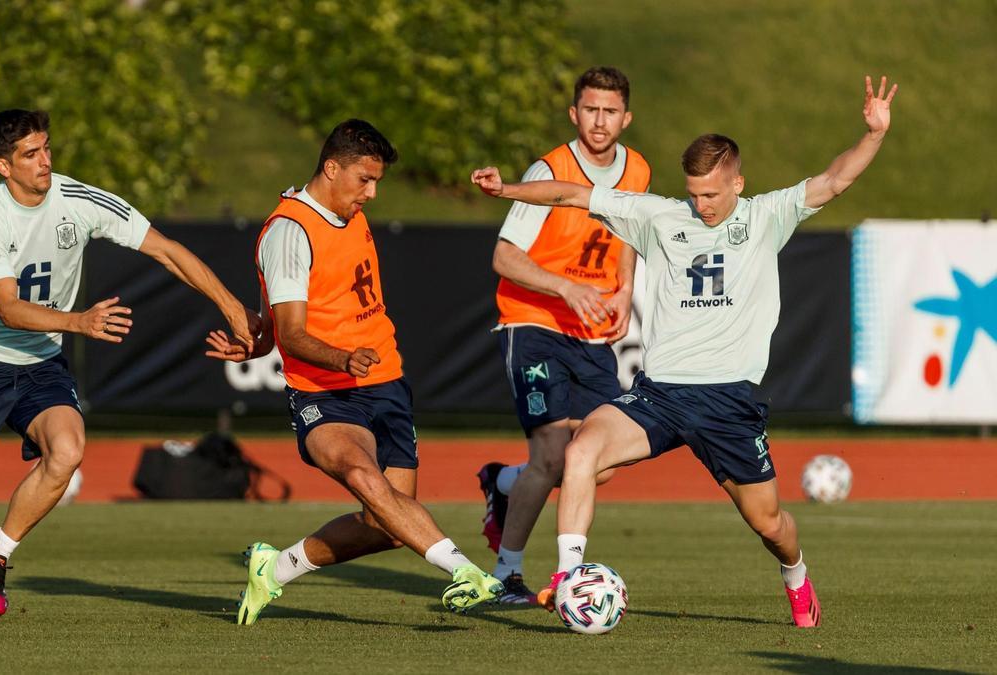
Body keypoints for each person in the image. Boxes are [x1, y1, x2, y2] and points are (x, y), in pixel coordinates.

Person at [471, 76, 898, 627]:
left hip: (728, 403)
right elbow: (571, 194)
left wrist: (873, 135)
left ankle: (797, 579)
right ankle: (567, 579)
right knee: (579, 453)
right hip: (660, 396)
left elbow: (835, 180)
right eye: (694, 193)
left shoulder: (767, 215)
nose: (702, 205)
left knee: (768, 524)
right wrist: (506, 191)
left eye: (713, 194)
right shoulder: (660, 216)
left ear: (738, 183)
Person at [0, 109, 257, 621]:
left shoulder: (78, 200)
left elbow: (167, 251)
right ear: (3, 166)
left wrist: (231, 306)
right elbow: (6, 308)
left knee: (67, 451)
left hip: (41, 364)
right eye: (30, 154)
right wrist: (79, 323)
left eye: (46, 148)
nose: (45, 161)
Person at [205, 119, 502, 625]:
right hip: (325, 390)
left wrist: (256, 343)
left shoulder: (348, 212)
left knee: (387, 523)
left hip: (385, 381)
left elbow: (273, 325)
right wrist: (336, 357)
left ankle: (274, 568)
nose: (371, 192)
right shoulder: (290, 232)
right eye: (364, 179)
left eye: (377, 181)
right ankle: (468, 573)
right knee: (364, 478)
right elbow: (291, 334)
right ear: (331, 167)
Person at [476, 66, 651, 604]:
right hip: (534, 322)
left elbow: (627, 232)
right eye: (590, 110)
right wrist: (564, 288)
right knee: (554, 456)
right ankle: (508, 575)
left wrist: (624, 289)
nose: (600, 122)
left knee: (596, 467)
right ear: (575, 113)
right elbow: (504, 257)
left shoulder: (638, 169)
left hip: (592, 332)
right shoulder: (548, 169)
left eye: (610, 111)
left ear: (626, 117)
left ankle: (503, 483)